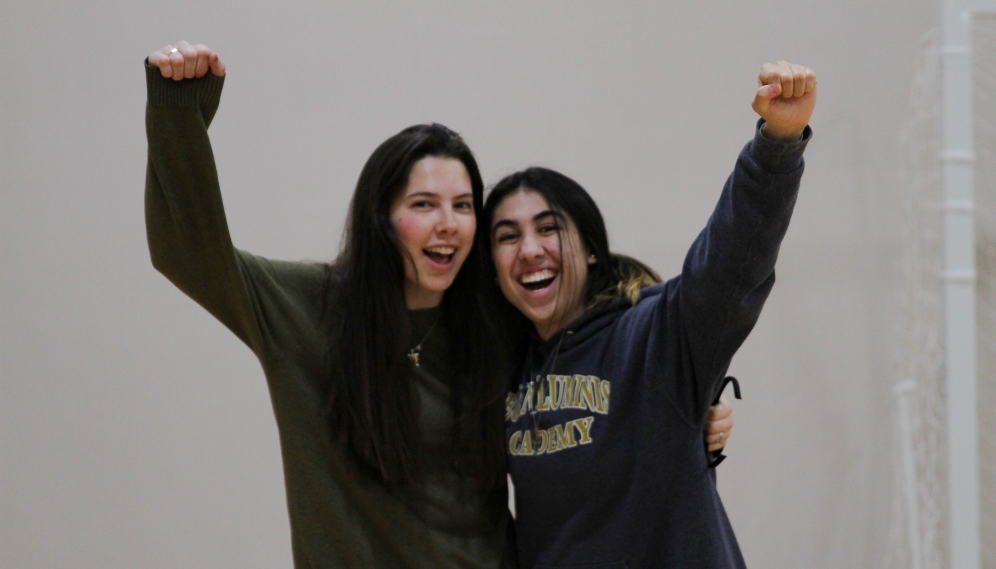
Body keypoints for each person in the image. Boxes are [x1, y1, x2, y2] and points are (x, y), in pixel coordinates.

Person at [143, 40, 734, 568]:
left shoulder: (491, 319)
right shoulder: (309, 309)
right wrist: (180, 116)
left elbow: (597, 371)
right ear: (382, 218)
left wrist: (692, 411)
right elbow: (187, 253)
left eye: (463, 205)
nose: (448, 224)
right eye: (424, 204)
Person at [482, 61, 815, 568]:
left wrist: (776, 146)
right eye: (508, 236)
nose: (529, 249)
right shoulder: (504, 371)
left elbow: (730, 265)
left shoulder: (656, 337)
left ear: (590, 249)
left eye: (548, 228)